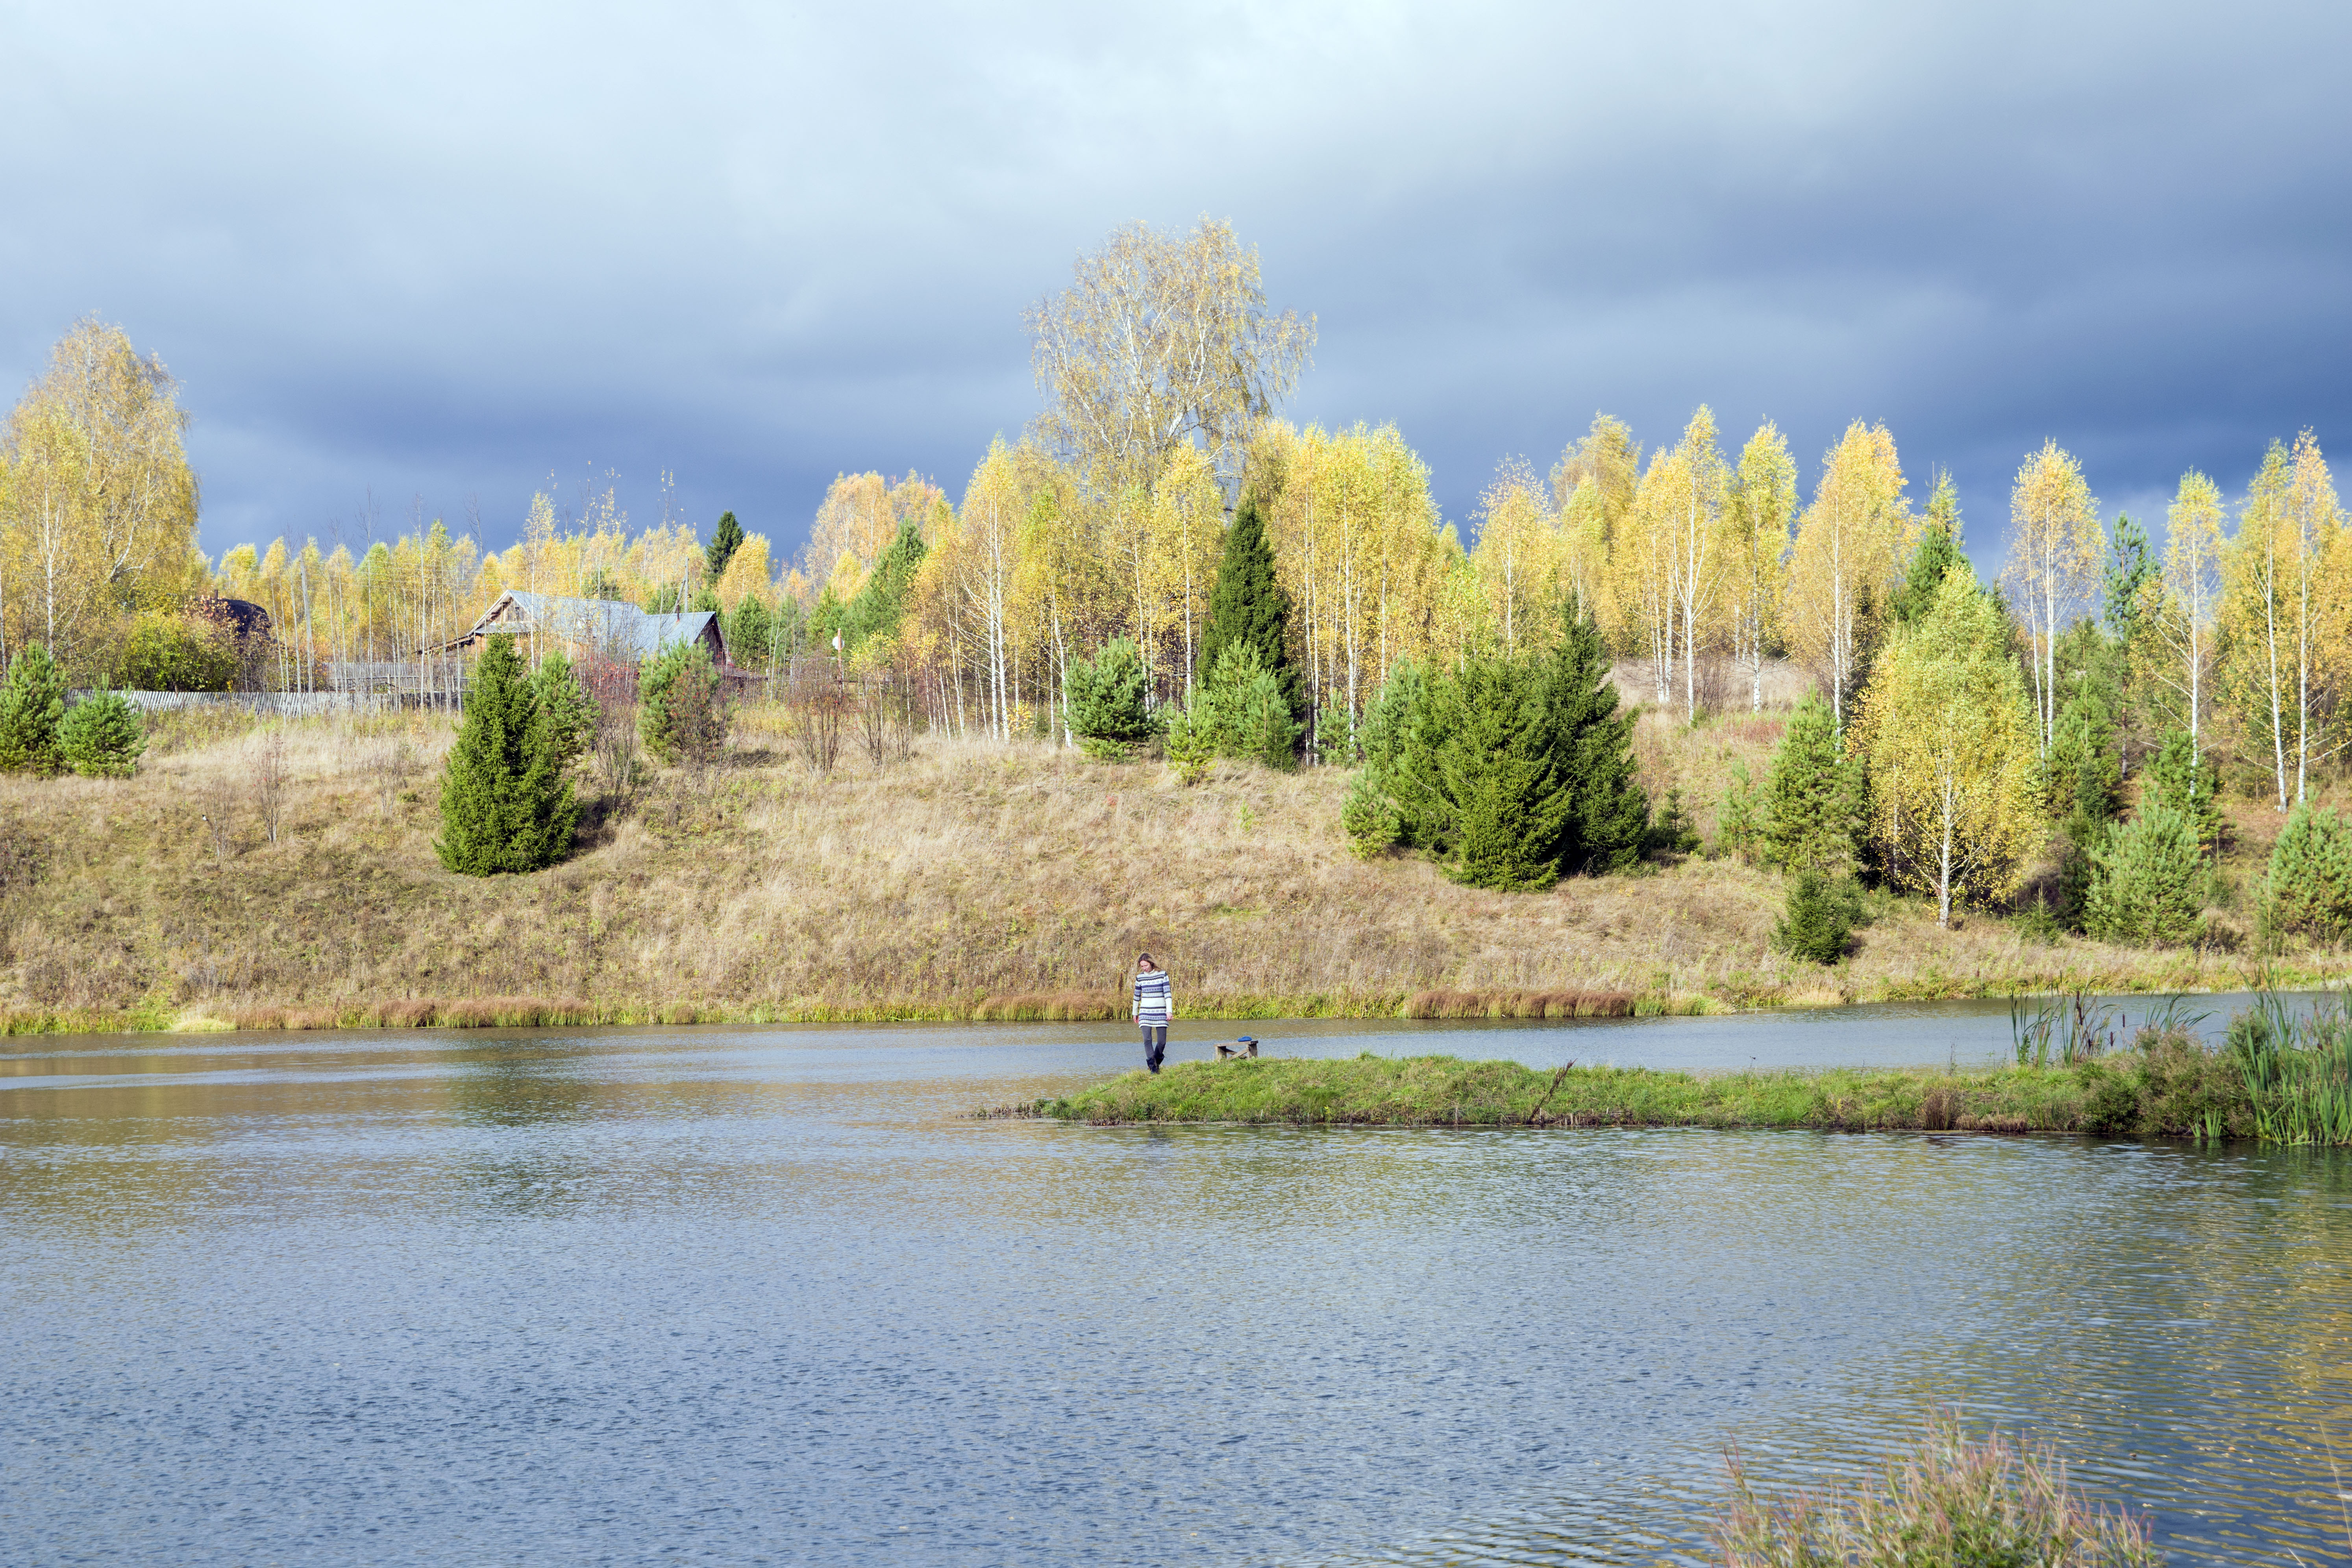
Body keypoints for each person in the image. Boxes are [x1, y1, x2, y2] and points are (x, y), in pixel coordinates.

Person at [1133, 953, 1172, 1073]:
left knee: (1162, 1042)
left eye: (1146, 965)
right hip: (1145, 1013)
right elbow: (1137, 996)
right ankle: (1154, 1070)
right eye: (1142, 966)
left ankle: (1155, 1065)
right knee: (1147, 1040)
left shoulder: (1162, 975)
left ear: (1151, 963)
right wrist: (1135, 1012)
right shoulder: (1140, 978)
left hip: (1160, 1012)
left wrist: (1169, 1011)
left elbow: (1168, 994)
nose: (1145, 968)